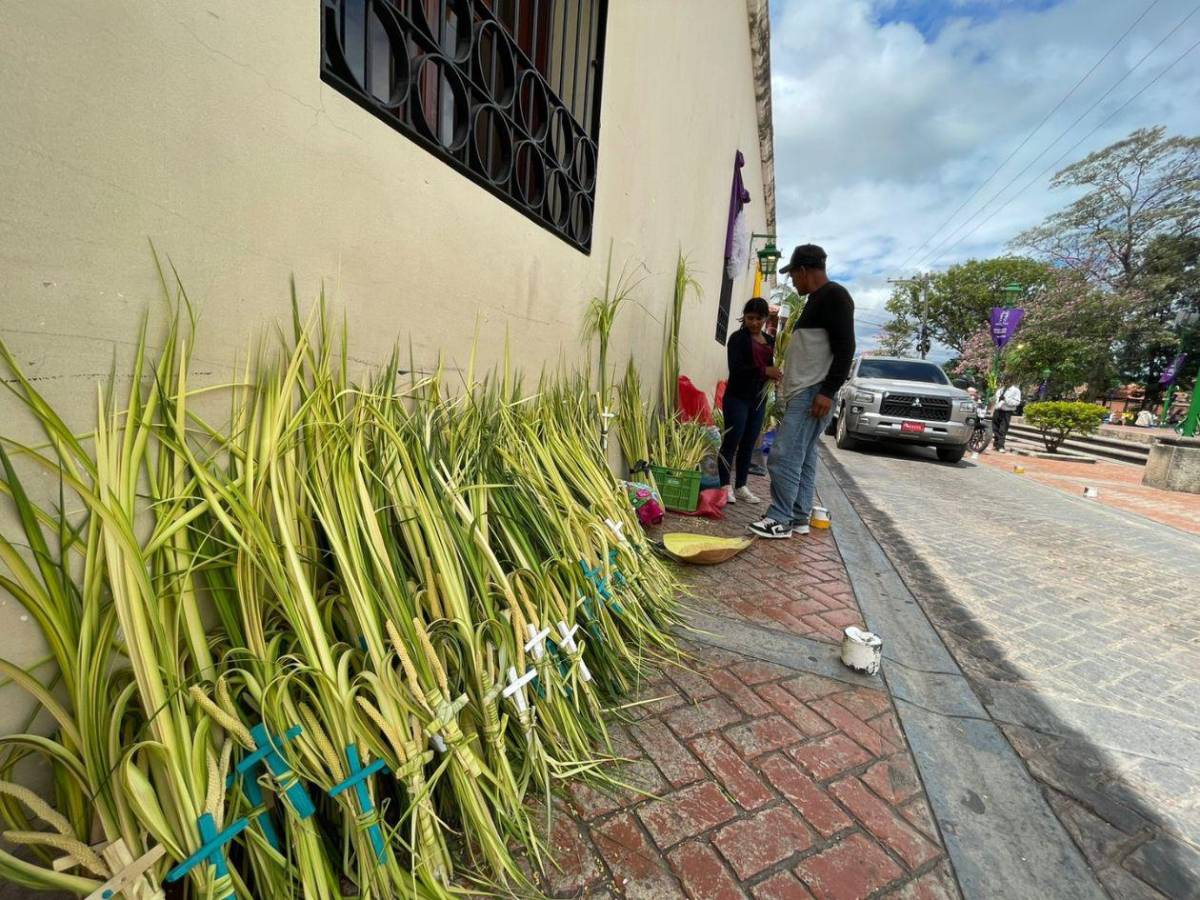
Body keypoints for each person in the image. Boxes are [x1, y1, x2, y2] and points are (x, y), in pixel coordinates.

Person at [748, 244, 855, 539]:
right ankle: (798, 516)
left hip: (813, 392)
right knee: (804, 457)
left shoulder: (834, 296)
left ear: (805, 270)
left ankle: (780, 517)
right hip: (807, 391)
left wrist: (828, 391)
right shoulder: (818, 299)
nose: (793, 282)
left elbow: (846, 348)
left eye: (794, 275)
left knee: (783, 455)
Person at [719, 298, 780, 504]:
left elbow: (771, 367)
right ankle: (725, 485)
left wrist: (775, 374)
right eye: (750, 318)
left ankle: (741, 485)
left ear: (765, 319)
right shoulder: (737, 339)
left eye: (758, 319)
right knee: (732, 440)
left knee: (748, 443)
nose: (754, 323)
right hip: (737, 397)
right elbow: (736, 369)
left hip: (758, 400)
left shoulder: (770, 341)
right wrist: (765, 371)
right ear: (744, 317)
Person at [992, 381, 1021, 452]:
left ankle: (1001, 446)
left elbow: (1017, 402)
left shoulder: (1015, 390)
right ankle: (996, 444)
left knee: (1003, 429)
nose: (1005, 382)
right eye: (1004, 381)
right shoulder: (1000, 390)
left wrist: (1006, 400)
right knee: (995, 427)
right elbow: (996, 399)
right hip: (998, 410)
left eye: (1007, 381)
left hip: (1007, 411)